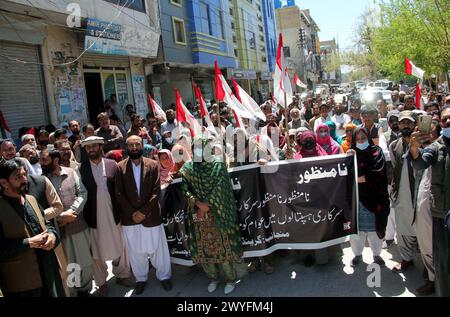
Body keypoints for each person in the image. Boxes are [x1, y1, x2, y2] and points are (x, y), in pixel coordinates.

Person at [180, 137, 242, 295]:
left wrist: (206, 205)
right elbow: (184, 189)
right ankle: (213, 277)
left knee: (223, 246)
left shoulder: (218, 165)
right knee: (204, 247)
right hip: (198, 215)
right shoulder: (188, 168)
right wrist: (198, 205)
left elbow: (222, 188)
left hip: (218, 213)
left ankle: (230, 278)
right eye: (198, 148)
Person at [115, 136, 172, 295]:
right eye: (130, 145)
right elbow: (118, 193)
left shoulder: (153, 165)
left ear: (142, 146)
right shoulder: (120, 167)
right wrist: (132, 213)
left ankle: (164, 276)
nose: (134, 147)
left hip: (151, 215)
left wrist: (143, 212)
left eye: (137, 144)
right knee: (136, 250)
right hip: (130, 218)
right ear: (126, 147)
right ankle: (141, 279)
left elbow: (155, 191)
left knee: (158, 249)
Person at [0, 159, 66, 297]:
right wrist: (28, 243)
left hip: (48, 272)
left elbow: (46, 223)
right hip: (22, 283)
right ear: (4, 183)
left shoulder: (31, 199)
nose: (25, 180)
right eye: (18, 177)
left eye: (25, 174)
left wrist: (52, 236)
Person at [79, 136, 133, 296]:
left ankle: (122, 275)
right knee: (96, 251)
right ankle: (101, 282)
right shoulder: (81, 169)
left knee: (120, 245)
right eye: (88, 148)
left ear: (100, 147)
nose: (92, 150)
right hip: (93, 217)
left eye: (94, 146)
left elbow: (120, 189)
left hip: (114, 214)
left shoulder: (112, 165)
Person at [409, 104, 450, 297]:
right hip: (442, 215)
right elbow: (419, 162)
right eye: (445, 119)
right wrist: (414, 147)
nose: (448, 121)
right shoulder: (436, 147)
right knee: (443, 262)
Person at [40, 149, 92, 297]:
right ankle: (74, 293)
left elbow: (82, 193)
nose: (41, 163)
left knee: (85, 261)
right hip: (60, 229)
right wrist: (60, 217)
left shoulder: (71, 172)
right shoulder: (42, 180)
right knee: (70, 265)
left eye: (44, 160)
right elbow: (42, 207)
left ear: (55, 160)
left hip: (78, 224)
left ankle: (85, 290)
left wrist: (73, 211)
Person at [348, 127, 390, 267]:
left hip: (375, 198)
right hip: (357, 198)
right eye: (358, 139)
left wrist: (361, 179)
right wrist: (348, 158)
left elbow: (379, 172)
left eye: (363, 138)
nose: (361, 141)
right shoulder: (351, 153)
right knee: (357, 231)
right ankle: (357, 254)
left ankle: (377, 254)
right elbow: (345, 174)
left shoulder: (376, 151)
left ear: (368, 138)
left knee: (374, 229)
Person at [389, 111, 420, 273]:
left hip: (420, 193)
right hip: (402, 192)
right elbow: (395, 168)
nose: (406, 125)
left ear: (415, 124)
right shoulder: (394, 146)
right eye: (403, 122)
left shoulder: (425, 143)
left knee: (422, 228)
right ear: (398, 125)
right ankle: (406, 258)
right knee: (403, 228)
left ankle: (427, 264)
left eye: (409, 122)